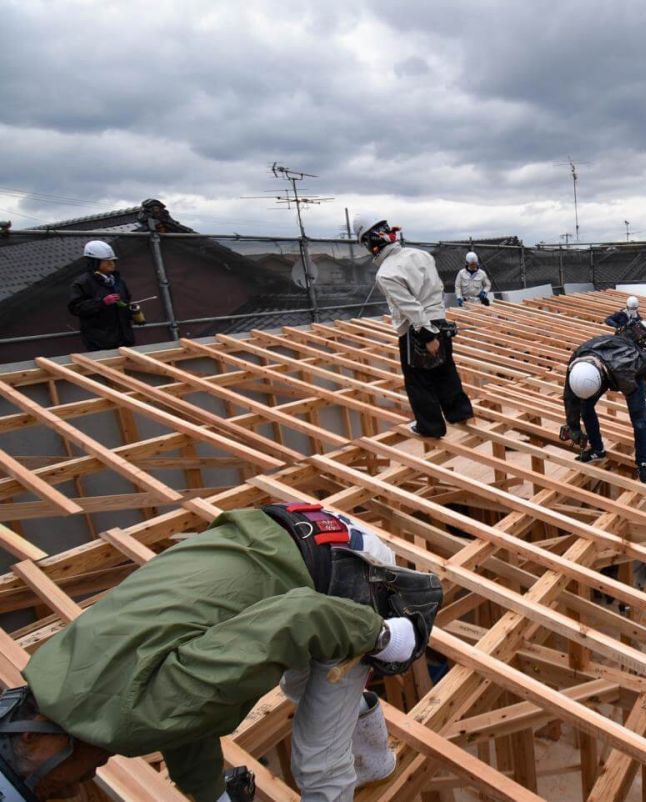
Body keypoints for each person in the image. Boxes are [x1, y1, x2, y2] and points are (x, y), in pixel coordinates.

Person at [0, 505, 444, 802]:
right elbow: (181, 718)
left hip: (344, 576)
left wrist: (383, 635)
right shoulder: (61, 669)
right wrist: (212, 796)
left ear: (29, 738)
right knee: (300, 685)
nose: (84, 782)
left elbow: (303, 615)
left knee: (318, 768)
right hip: (286, 534)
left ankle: (369, 755)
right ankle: (375, 755)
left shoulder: (130, 715)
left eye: (59, 785)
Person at [357, 213, 474, 438]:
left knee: (418, 381)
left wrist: (427, 335)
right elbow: (436, 288)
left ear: (370, 243)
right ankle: (459, 412)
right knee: (446, 369)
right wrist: (437, 325)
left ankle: (430, 427)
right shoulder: (421, 255)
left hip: (417, 329)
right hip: (438, 319)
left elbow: (410, 307)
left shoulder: (386, 273)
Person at [561, 334, 646, 484]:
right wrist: (574, 427)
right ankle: (597, 450)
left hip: (629, 369)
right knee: (586, 408)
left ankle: (642, 464)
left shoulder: (630, 366)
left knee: (639, 420)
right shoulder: (576, 366)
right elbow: (570, 398)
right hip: (600, 361)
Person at [67, 241, 138, 352]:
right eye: (106, 261)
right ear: (94, 262)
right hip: (101, 342)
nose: (111, 263)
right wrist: (101, 302)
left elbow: (126, 300)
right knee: (107, 369)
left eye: (113, 260)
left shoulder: (118, 281)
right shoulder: (82, 283)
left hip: (124, 339)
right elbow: (76, 308)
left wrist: (131, 312)